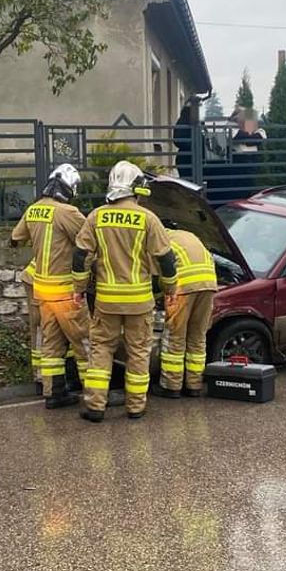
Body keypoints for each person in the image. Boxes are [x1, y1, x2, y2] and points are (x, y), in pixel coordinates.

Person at [73, 161, 178, 422]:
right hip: (139, 302)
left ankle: (95, 406)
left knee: (101, 350)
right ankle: (135, 407)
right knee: (138, 352)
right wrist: (170, 289)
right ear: (135, 187)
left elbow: (80, 256)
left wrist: (78, 288)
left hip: (107, 301)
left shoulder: (96, 216)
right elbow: (166, 259)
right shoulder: (148, 219)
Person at [11, 164, 89, 409]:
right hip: (66, 290)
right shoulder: (68, 212)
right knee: (85, 343)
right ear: (69, 188)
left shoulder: (34, 210)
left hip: (42, 291)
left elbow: (15, 238)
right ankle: (95, 395)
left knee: (52, 344)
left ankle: (54, 394)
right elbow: (90, 242)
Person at [157, 227, 218, 398]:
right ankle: (194, 385)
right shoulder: (189, 235)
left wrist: (161, 293)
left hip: (183, 288)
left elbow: (159, 271)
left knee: (175, 336)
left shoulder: (160, 240)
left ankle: (171, 386)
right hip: (209, 284)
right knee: (198, 336)